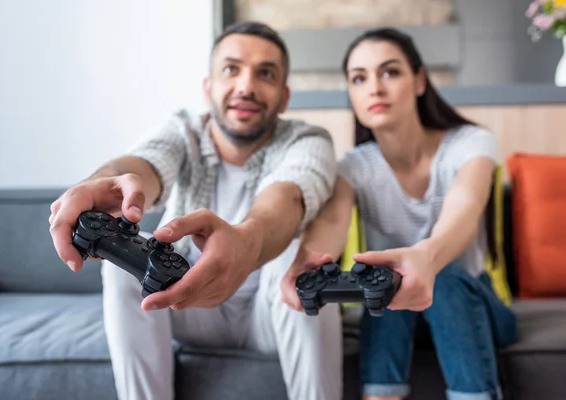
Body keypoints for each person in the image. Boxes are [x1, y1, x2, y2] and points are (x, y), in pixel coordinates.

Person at [48, 21, 343, 400]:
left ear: (284, 98)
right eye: (231, 69)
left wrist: (246, 242)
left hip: (269, 314)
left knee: (300, 265)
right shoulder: (183, 130)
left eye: (264, 74)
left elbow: (286, 198)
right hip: (188, 302)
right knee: (123, 269)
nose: (246, 86)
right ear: (209, 88)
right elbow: (147, 163)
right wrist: (105, 180)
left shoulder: (308, 141)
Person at [281, 28, 517, 400]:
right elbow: (331, 221)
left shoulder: (471, 142)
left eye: (389, 72)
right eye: (359, 78)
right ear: (351, 93)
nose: (374, 87)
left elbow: (465, 208)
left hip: (473, 305)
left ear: (420, 80)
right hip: (397, 314)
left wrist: (426, 257)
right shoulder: (353, 167)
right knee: (386, 283)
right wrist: (304, 263)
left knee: (445, 278)